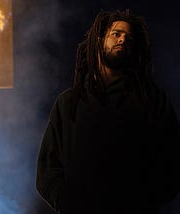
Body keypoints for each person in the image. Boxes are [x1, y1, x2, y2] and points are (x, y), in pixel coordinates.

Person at [36, 10, 180, 214]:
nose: (123, 39)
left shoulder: (152, 101)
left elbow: (172, 162)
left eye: (129, 37)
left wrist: (143, 201)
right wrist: (67, 201)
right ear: (99, 40)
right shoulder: (69, 103)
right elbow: (47, 169)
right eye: (116, 33)